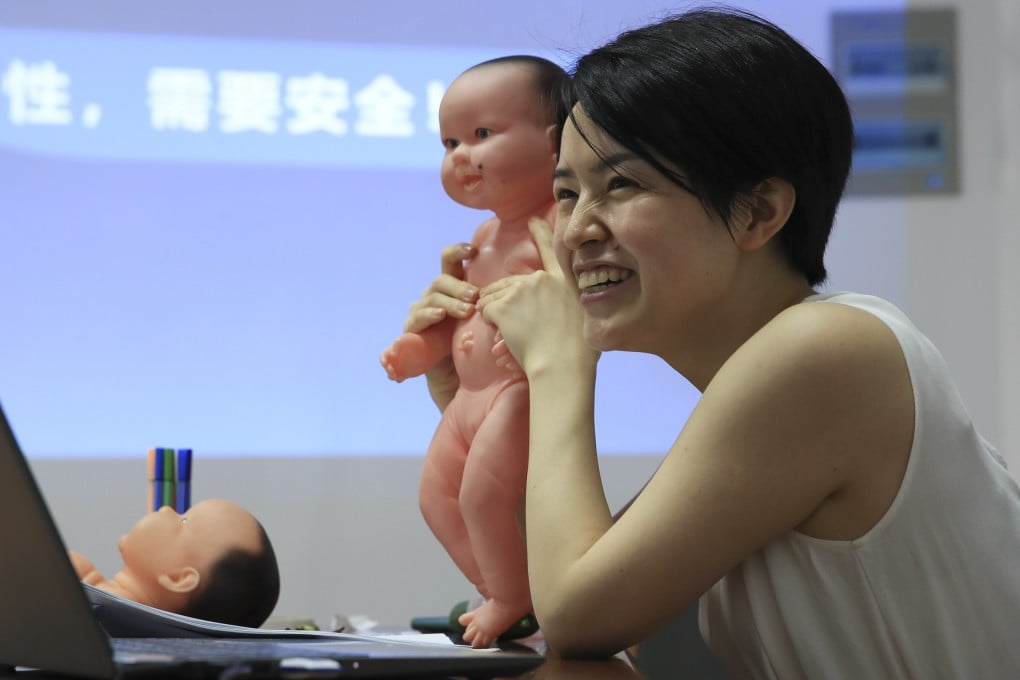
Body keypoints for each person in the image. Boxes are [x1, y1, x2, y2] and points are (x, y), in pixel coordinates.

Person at [404, 8, 1020, 677]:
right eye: (565, 192)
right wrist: (474, 398)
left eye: (621, 185)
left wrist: (558, 361)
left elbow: (578, 616)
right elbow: (567, 587)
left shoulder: (828, 347)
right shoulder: (758, 391)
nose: (575, 230)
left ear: (759, 212)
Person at [380, 56, 567, 649]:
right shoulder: (481, 238)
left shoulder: (559, 224)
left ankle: (512, 598)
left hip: (514, 392)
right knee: (436, 497)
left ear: (556, 143)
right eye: (449, 141)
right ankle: (506, 591)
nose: (460, 155)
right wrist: (419, 350)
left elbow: (566, 311)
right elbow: (460, 309)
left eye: (482, 135)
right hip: (471, 397)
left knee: (481, 495)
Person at [69, 499, 279, 628]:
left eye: (183, 520)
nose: (168, 509)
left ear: (178, 578)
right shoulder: (98, 592)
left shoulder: (113, 621)